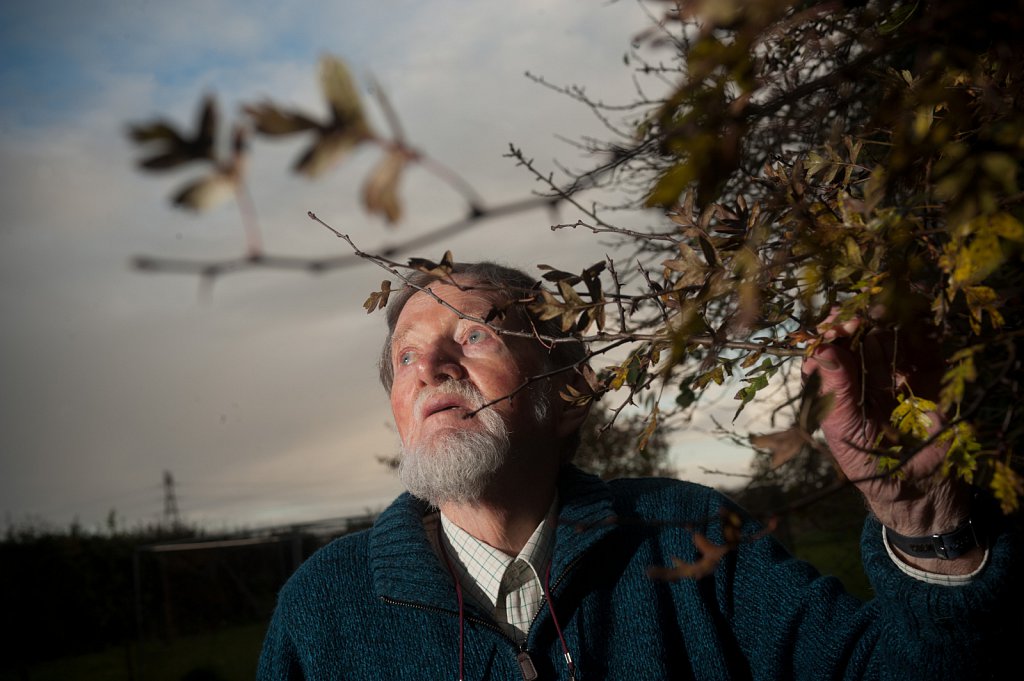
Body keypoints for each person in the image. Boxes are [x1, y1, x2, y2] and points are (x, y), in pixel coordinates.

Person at [258, 262, 1018, 680]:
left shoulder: (687, 536)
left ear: (566, 392)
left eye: (475, 333)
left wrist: (924, 523)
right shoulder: (322, 610)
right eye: (405, 355)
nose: (430, 365)